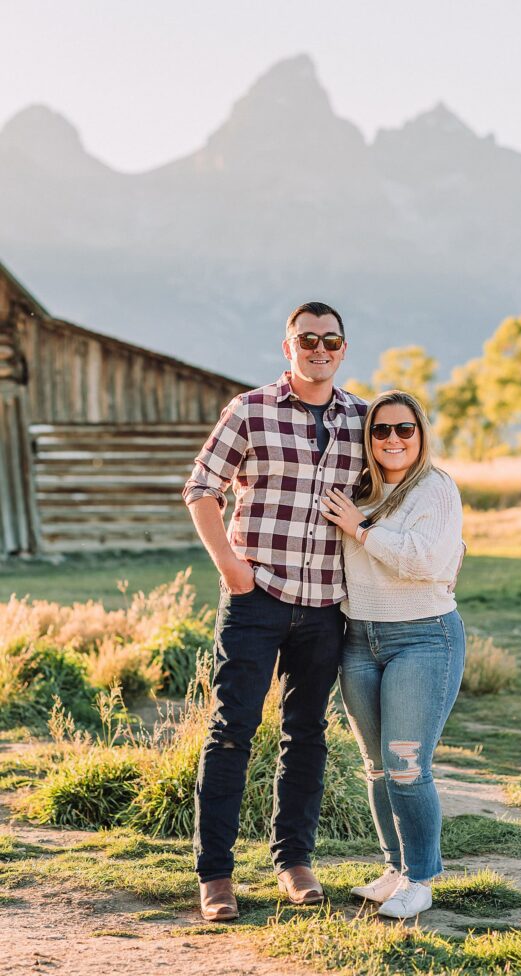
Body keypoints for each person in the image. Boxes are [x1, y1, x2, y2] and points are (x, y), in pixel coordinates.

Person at [183, 302, 366, 922]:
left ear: (343, 349)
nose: (319, 348)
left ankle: (294, 861)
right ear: (287, 346)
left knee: (306, 734)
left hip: (324, 606)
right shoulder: (251, 409)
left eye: (331, 339)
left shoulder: (362, 419)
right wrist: (231, 569)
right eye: (307, 338)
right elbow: (200, 487)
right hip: (255, 598)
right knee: (232, 730)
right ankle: (216, 876)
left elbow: (393, 486)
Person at [321, 390, 465, 920]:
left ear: (421, 434)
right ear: (369, 437)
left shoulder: (435, 488)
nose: (393, 439)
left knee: (407, 765)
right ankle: (395, 869)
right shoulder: (360, 489)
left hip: (424, 638)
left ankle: (423, 877)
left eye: (405, 429)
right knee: (377, 767)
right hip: (359, 639)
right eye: (381, 430)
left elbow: (425, 561)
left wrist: (359, 528)